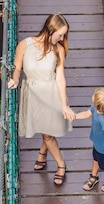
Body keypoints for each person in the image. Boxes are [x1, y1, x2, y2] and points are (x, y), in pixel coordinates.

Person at [7, 14, 76, 185]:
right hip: (32, 94)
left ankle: (61, 165)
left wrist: (64, 105)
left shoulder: (58, 50)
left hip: (51, 94)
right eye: (60, 34)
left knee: (47, 134)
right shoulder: (24, 45)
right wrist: (15, 79)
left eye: (64, 35)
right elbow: (17, 68)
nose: (62, 38)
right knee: (46, 130)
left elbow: (60, 78)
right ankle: (43, 153)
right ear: (50, 30)